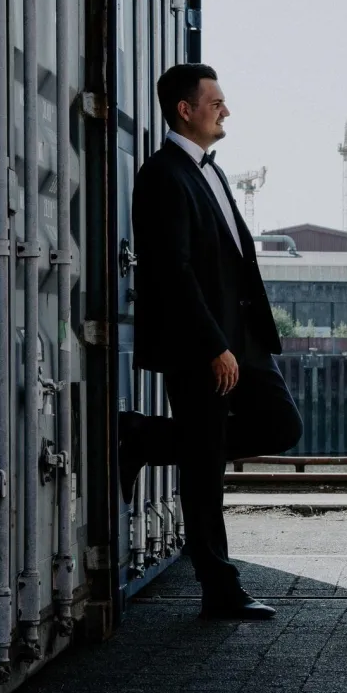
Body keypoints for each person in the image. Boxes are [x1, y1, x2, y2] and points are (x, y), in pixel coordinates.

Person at [119, 63, 303, 621]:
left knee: (280, 426)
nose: (225, 110)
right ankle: (219, 588)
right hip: (202, 345)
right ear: (185, 110)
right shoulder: (162, 175)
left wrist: (240, 339)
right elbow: (172, 272)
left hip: (241, 339)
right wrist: (211, 345)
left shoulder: (211, 173)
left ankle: (145, 440)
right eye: (216, 102)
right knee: (203, 471)